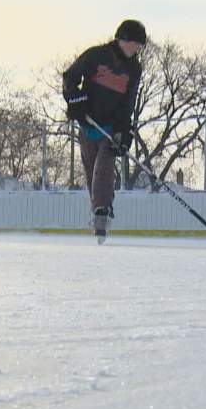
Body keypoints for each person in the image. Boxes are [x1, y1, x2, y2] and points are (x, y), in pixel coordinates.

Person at [61, 19, 146, 243]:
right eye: (134, 44)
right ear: (122, 40)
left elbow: (129, 102)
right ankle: (98, 209)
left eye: (139, 46)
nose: (136, 49)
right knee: (91, 172)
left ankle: (102, 211)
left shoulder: (134, 69)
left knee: (104, 168)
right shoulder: (96, 55)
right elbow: (70, 76)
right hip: (88, 123)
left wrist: (124, 132)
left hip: (109, 126)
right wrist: (75, 99)